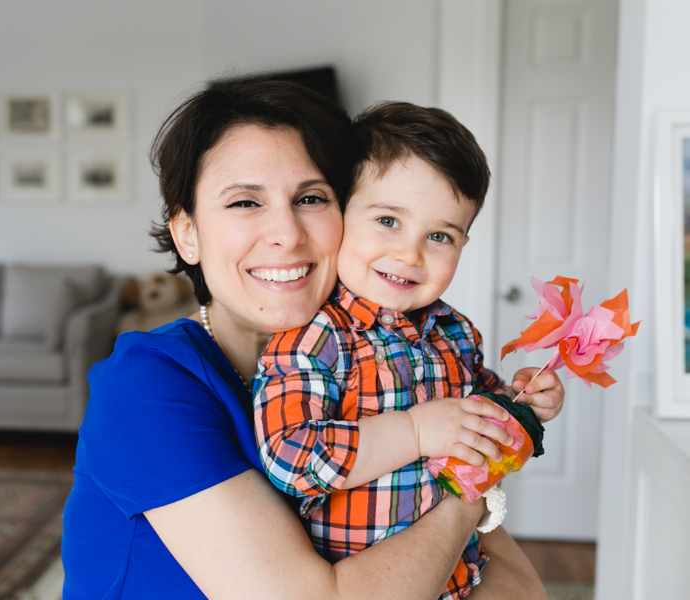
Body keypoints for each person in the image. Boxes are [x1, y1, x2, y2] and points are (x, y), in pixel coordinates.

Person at [61, 80, 560, 600]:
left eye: (311, 197)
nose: (288, 233)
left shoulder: (391, 356)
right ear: (187, 233)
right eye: (245, 202)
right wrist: (470, 491)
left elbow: (522, 587)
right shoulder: (145, 386)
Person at [252, 101, 564, 599]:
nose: (410, 253)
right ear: (341, 214)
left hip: (458, 576)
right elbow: (293, 458)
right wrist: (417, 431)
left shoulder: (454, 330)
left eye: (439, 235)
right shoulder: (318, 335)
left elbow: (479, 418)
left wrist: (523, 398)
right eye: (388, 221)